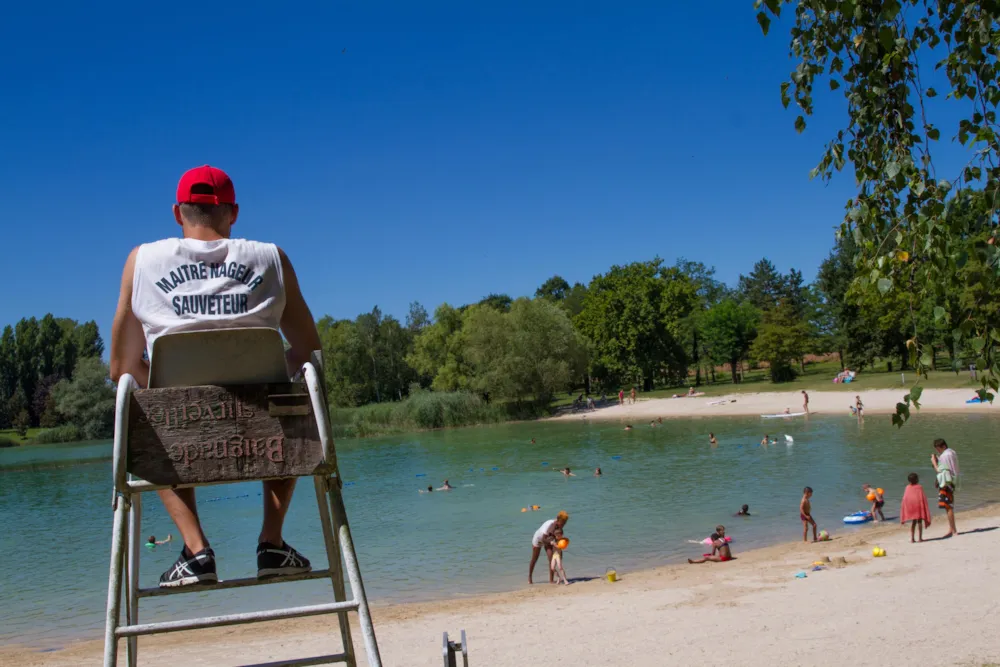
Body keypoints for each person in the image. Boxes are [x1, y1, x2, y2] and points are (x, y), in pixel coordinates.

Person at [110, 165, 319, 588]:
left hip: (176, 432)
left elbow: (122, 369)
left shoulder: (142, 261)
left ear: (177, 213)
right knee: (290, 394)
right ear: (233, 212)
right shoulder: (271, 259)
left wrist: (175, 387)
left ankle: (196, 551)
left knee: (145, 409)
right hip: (266, 432)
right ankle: (272, 543)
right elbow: (309, 350)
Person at [931, 438, 960, 537]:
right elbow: (949, 467)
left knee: (948, 507)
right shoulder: (952, 452)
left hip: (946, 483)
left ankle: (954, 530)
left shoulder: (945, 455)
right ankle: (951, 528)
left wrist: (934, 462)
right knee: (949, 505)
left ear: (943, 446)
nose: (938, 451)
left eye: (938, 449)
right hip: (953, 481)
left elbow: (940, 471)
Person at [529, 511, 569, 584]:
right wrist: (551, 543)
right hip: (539, 539)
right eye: (562, 523)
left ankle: (551, 580)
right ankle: (530, 578)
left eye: (564, 524)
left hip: (548, 540)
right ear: (558, 520)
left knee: (551, 559)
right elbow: (544, 539)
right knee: (534, 559)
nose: (563, 525)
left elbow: (557, 539)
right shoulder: (550, 525)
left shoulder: (559, 527)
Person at [900, 472, 931, 543]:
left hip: (911, 506)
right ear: (917, 480)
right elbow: (922, 497)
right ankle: (920, 538)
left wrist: (905, 507)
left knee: (913, 522)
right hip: (918, 506)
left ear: (909, 480)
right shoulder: (919, 487)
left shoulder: (907, 487)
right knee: (919, 521)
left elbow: (905, 498)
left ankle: (912, 539)